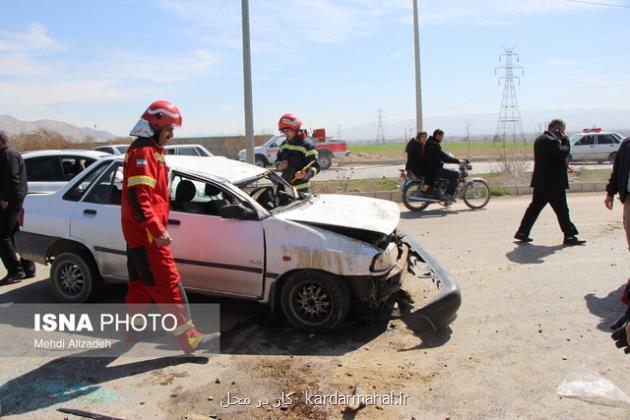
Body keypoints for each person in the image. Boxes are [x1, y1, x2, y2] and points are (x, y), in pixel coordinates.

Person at [122, 100, 210, 353]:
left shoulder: (146, 150)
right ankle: (189, 338)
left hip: (137, 235)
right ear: (156, 125)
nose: (171, 135)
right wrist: (157, 230)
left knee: (139, 284)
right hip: (148, 237)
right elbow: (140, 198)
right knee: (169, 285)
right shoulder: (144, 153)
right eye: (169, 129)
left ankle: (133, 330)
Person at [514, 119, 585, 245]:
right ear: (556, 129)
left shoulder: (540, 139)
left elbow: (551, 159)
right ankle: (569, 236)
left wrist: (564, 165)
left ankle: (522, 232)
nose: (562, 133)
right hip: (553, 184)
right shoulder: (551, 141)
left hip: (541, 182)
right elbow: (562, 153)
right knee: (562, 210)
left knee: (534, 208)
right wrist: (566, 141)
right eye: (562, 130)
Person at [0, 131, 35, 285]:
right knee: (15, 234)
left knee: (2, 235)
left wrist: (5, 198)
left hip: (11, 201)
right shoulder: (7, 154)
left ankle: (15, 271)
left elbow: (13, 178)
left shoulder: (8, 155)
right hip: (13, 200)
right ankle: (28, 268)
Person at [275, 113, 320, 194]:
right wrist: (279, 165)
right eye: (283, 131)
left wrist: (305, 174)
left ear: (296, 129)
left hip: (301, 191)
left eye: (288, 130)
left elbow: (316, 167)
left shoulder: (308, 146)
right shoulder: (284, 145)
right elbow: (277, 161)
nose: (285, 133)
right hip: (285, 189)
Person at [423, 129, 465, 201]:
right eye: (442, 136)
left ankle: (442, 191)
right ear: (438, 136)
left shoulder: (429, 142)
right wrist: (458, 161)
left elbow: (439, 155)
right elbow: (444, 157)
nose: (442, 138)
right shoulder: (435, 145)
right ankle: (448, 195)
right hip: (434, 169)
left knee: (449, 172)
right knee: (455, 174)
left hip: (429, 168)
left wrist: (447, 158)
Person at [604, 135, 630, 250]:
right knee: (628, 226)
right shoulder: (626, 144)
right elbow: (617, 169)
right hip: (629, 196)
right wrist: (610, 193)